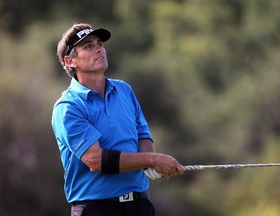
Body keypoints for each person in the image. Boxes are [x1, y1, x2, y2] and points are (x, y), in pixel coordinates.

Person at [51, 23, 184, 216]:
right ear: (70, 61)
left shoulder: (124, 90)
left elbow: (143, 135)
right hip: (96, 209)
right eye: (88, 46)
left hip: (140, 205)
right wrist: (153, 159)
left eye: (99, 44)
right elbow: (96, 160)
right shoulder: (68, 107)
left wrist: (149, 164)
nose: (98, 49)